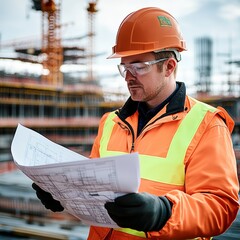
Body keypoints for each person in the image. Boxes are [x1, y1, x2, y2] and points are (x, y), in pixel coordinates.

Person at [32, 7, 239, 240]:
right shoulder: (110, 122)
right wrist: (63, 195)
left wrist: (164, 212)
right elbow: (92, 191)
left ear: (169, 66)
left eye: (139, 67)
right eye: (125, 67)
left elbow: (221, 207)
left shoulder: (208, 125)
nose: (129, 76)